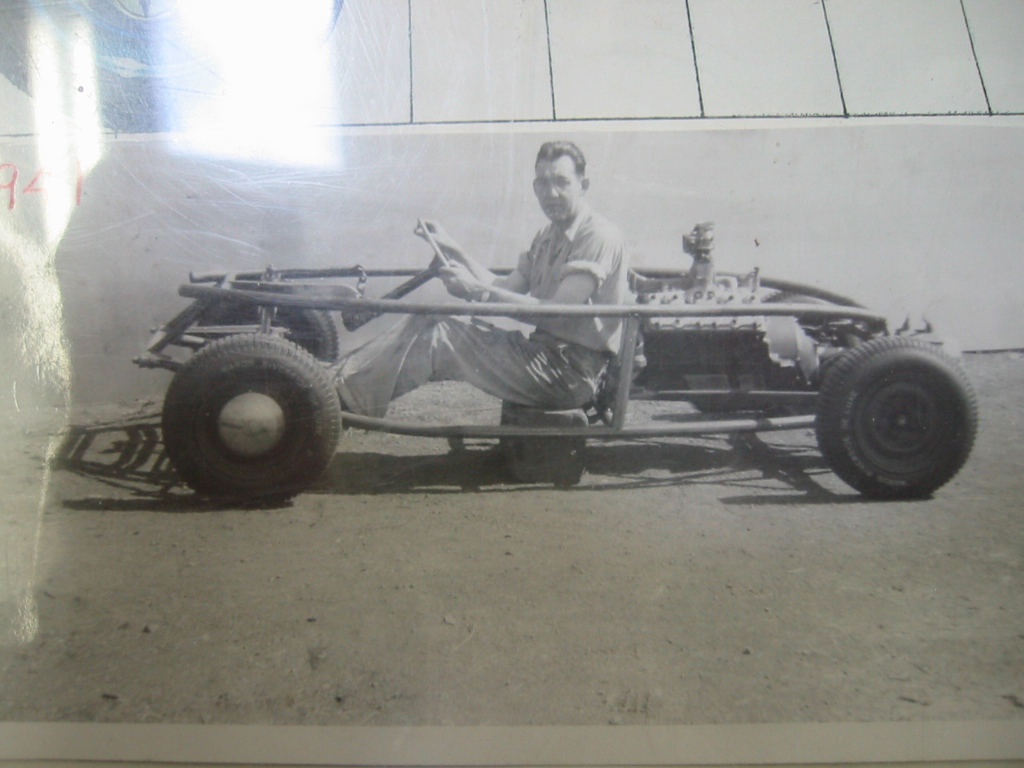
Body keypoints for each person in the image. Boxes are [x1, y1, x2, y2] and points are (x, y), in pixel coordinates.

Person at [332, 140, 629, 418]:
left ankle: (340, 404)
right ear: (535, 187)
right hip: (542, 357)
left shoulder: (598, 235)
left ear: (583, 185)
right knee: (427, 321)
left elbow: (555, 313)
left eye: (562, 182)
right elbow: (504, 288)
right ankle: (337, 383)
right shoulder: (548, 236)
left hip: (568, 374)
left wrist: (475, 289)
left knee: (440, 335)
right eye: (543, 183)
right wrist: (453, 248)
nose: (551, 193)